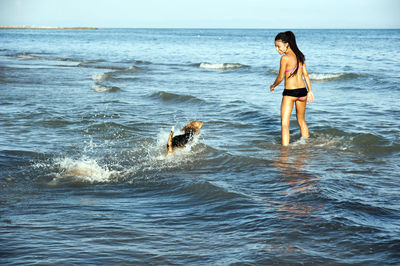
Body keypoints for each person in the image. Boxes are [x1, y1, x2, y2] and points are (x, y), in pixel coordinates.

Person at [269, 31, 314, 146]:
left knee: (284, 124)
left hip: (290, 93)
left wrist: (273, 85)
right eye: (275, 47)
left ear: (287, 44)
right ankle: (307, 146)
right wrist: (310, 91)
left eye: (278, 46)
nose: (277, 49)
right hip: (303, 92)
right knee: (301, 120)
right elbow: (306, 75)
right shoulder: (300, 56)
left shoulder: (285, 58)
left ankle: (284, 152)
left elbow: (280, 77)